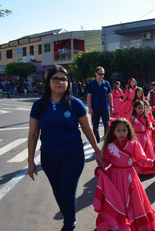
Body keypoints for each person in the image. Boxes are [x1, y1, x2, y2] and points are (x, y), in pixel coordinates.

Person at [28, 65, 103, 231]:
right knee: (57, 192)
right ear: (48, 82)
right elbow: (33, 134)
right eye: (56, 79)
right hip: (48, 157)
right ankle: (69, 216)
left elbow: (87, 129)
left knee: (66, 193)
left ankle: (69, 224)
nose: (60, 82)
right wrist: (30, 161)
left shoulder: (75, 104)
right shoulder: (38, 105)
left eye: (64, 79)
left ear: (68, 82)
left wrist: (97, 151)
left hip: (73, 155)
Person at [93, 118, 155, 231]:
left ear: (129, 131)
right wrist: (100, 168)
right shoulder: (109, 147)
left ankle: (131, 223)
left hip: (130, 176)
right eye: (118, 130)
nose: (122, 133)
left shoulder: (134, 144)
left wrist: (153, 162)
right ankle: (115, 223)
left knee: (132, 200)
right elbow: (106, 161)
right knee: (115, 199)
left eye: (124, 130)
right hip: (114, 176)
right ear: (113, 132)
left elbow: (141, 160)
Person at [129, 101, 155, 175]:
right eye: (139, 108)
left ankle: (148, 169)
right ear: (135, 108)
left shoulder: (146, 117)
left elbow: (148, 127)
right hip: (136, 137)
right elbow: (130, 128)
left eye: (142, 108)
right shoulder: (132, 118)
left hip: (145, 136)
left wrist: (154, 130)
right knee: (137, 153)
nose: (141, 110)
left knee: (146, 152)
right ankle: (138, 170)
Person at [87, 66, 113, 143]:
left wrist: (111, 106)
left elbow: (109, 95)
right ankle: (97, 140)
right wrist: (89, 108)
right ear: (96, 73)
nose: (101, 75)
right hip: (95, 108)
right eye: (100, 74)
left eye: (103, 74)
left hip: (105, 107)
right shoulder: (91, 84)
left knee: (107, 125)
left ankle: (106, 140)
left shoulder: (106, 83)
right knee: (95, 126)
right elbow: (89, 96)